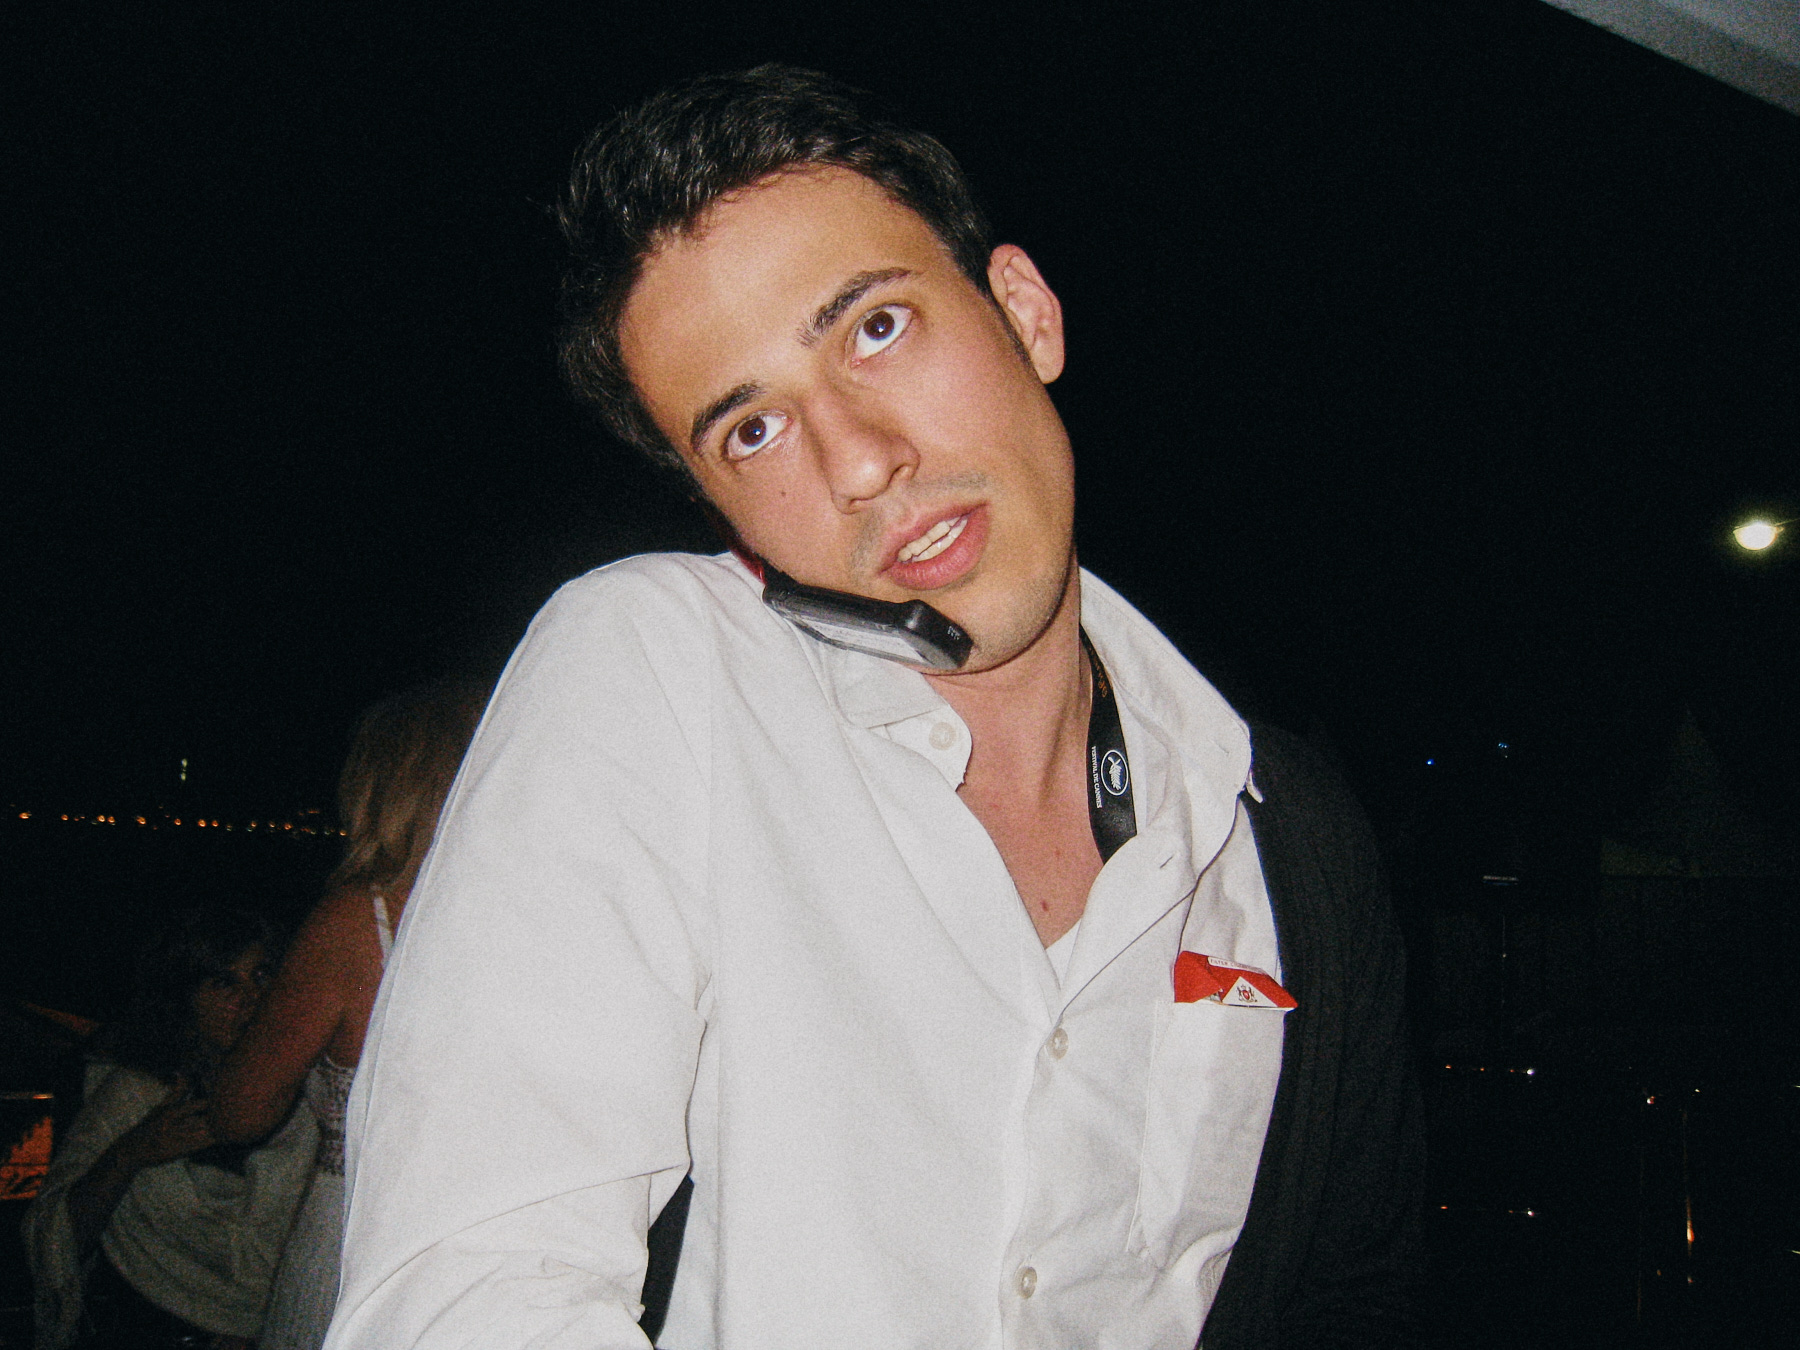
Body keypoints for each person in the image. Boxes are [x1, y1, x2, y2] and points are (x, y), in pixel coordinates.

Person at [327, 66, 1424, 1350]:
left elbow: (1350, 1297)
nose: (857, 461)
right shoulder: (666, 673)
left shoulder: (1286, 833)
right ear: (723, 511)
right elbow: (463, 1292)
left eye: (876, 328)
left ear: (1025, 313)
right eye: (751, 431)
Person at [208, 679, 488, 1350]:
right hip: (485, 1244)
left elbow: (239, 1112)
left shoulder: (353, 926)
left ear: (377, 790)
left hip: (361, 1238)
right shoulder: (538, 920)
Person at [23, 906, 317, 1350]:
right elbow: (55, 1237)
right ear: (184, 996)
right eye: (224, 983)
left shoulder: (306, 1096)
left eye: (261, 976)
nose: (250, 999)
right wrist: (132, 1153)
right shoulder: (138, 1093)